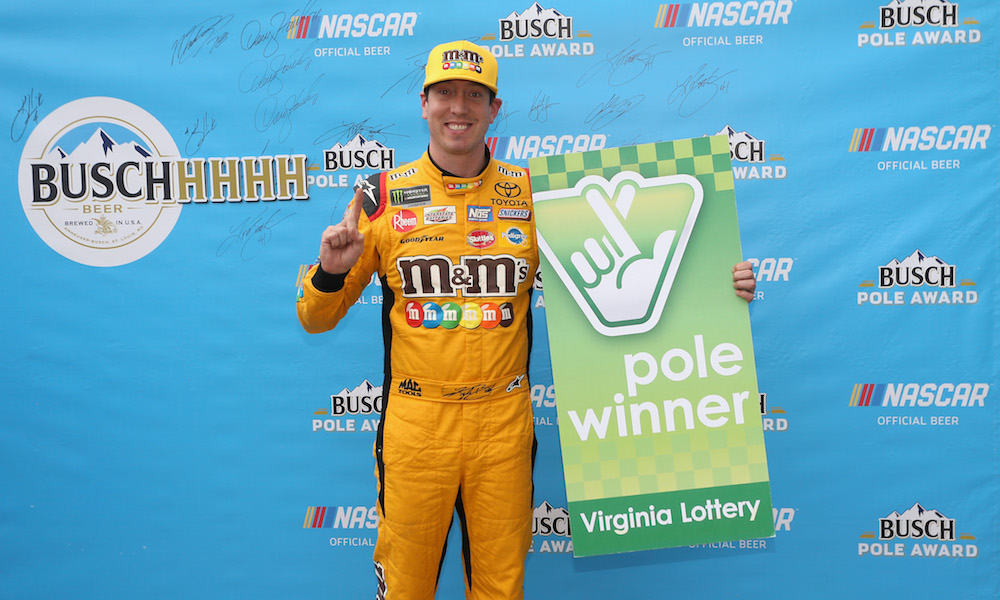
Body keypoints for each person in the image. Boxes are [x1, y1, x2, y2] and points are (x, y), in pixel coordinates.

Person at [297, 40, 757, 600]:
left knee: (501, 590)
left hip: (503, 423)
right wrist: (330, 273)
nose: (458, 107)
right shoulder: (380, 196)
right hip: (416, 424)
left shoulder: (537, 193)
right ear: (423, 103)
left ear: (495, 109)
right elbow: (314, 319)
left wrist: (716, 286)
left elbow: (629, 273)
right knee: (405, 589)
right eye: (445, 93)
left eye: (474, 95)